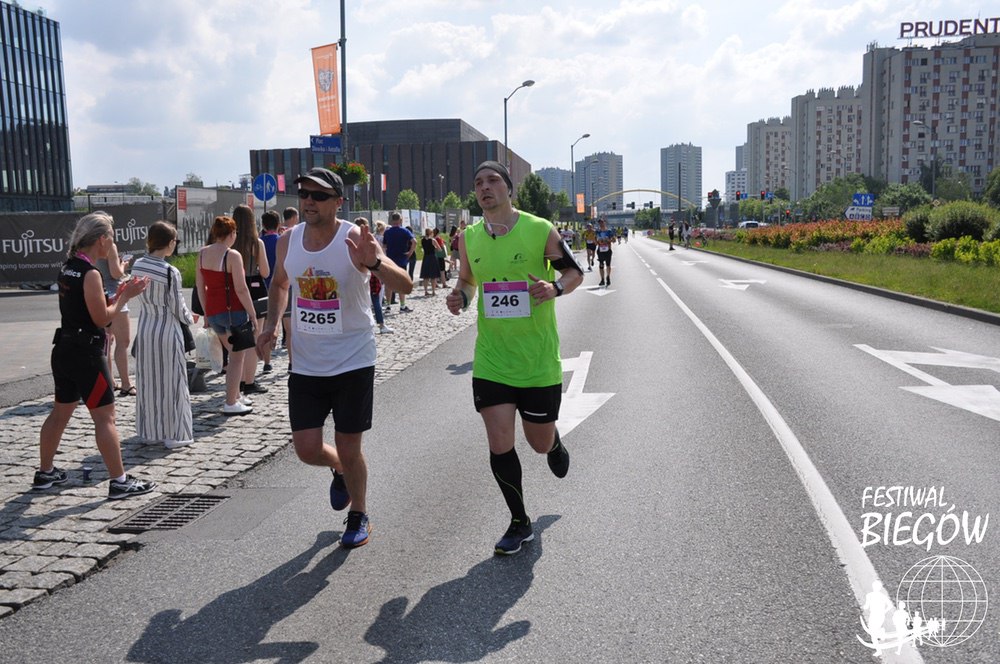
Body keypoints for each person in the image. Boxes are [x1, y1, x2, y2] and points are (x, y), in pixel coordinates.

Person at [256, 167, 412, 548]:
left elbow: (405, 284)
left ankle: (359, 513)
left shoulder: (353, 237)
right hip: (306, 363)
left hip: (352, 359)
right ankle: (339, 468)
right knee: (307, 449)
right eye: (304, 194)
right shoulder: (288, 241)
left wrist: (375, 263)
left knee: (349, 445)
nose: (309, 201)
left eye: (319, 195)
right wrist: (271, 325)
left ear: (338, 202)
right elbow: (279, 284)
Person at [446, 161, 583, 555]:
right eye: (478, 182)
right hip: (492, 359)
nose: (484, 187)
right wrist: (460, 298)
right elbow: (468, 281)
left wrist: (555, 288)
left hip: (537, 359)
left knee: (537, 443)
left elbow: (574, 273)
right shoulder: (468, 237)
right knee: (500, 442)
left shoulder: (539, 229)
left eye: (492, 180)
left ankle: (552, 442)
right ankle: (519, 522)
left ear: (509, 188)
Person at [32, 211, 157, 500]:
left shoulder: (68, 267)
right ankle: (120, 481)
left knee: (59, 413)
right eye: (111, 237)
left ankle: (45, 472)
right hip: (87, 354)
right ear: (101, 240)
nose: (112, 243)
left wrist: (117, 294)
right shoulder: (90, 274)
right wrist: (125, 297)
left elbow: (87, 306)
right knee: (105, 418)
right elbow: (102, 319)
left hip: (64, 349)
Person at [131, 221, 194, 449]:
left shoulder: (137, 265)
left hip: (145, 327)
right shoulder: (170, 271)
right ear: (169, 243)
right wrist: (190, 318)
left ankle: (150, 431)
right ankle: (175, 434)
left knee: (148, 381)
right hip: (167, 329)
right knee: (173, 382)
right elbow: (177, 306)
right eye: (174, 241)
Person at [196, 215, 258, 415]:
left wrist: (206, 312)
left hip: (214, 312)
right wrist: (253, 313)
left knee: (232, 354)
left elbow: (200, 287)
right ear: (231, 233)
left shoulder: (202, 253)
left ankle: (236, 395)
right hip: (234, 312)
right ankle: (231, 402)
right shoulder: (232, 255)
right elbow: (241, 289)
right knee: (237, 358)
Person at [232, 204, 270, 393]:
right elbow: (265, 272)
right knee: (255, 336)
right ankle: (249, 382)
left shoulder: (229, 243)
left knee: (237, 338)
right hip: (255, 290)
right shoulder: (257, 243)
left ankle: (237, 380)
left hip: (234, 289)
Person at [96, 240, 134, 396]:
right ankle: (126, 384)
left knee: (107, 342)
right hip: (114, 294)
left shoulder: (89, 244)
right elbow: (116, 273)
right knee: (123, 342)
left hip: (101, 295)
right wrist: (123, 265)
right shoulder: (110, 245)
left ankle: (109, 382)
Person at [260, 210, 282, 372]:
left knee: (264, 326)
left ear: (263, 225)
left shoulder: (259, 242)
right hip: (281, 287)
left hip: (262, 287)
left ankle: (267, 362)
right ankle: (292, 363)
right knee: (287, 324)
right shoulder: (282, 241)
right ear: (279, 224)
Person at [382, 212, 415, 314]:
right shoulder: (404, 231)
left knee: (388, 283)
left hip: (390, 260)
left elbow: (384, 246)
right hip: (401, 259)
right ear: (400, 220)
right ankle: (402, 305)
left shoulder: (387, 232)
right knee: (401, 282)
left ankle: (388, 305)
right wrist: (410, 253)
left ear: (392, 220)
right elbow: (414, 241)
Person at [419, 228, 441, 296]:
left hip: (426, 257)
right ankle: (433, 291)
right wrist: (434, 248)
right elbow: (439, 249)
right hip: (432, 257)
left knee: (426, 276)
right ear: (431, 233)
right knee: (433, 275)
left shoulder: (422, 240)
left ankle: (426, 291)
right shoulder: (433, 240)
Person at [595, 217, 615, 286]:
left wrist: (608, 240)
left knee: (608, 265)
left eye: (602, 222)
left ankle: (608, 277)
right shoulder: (597, 232)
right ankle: (602, 280)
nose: (601, 224)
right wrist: (598, 242)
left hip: (608, 250)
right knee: (601, 265)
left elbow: (614, 240)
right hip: (600, 251)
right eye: (599, 223)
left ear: (604, 223)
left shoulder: (609, 231)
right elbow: (595, 241)